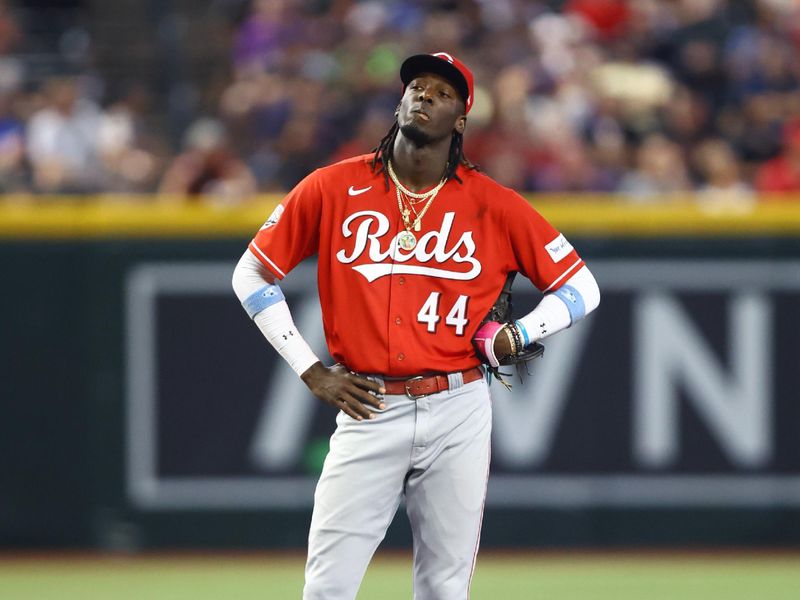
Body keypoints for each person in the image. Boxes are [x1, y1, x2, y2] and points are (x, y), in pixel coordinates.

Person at [231, 52, 600, 599]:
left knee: (444, 589)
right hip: (370, 405)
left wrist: (519, 333)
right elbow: (252, 272)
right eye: (416, 86)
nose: (424, 96)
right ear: (400, 100)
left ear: (461, 120)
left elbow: (581, 287)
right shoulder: (334, 187)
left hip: (458, 406)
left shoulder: (494, 204)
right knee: (326, 588)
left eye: (443, 93)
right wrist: (309, 369)